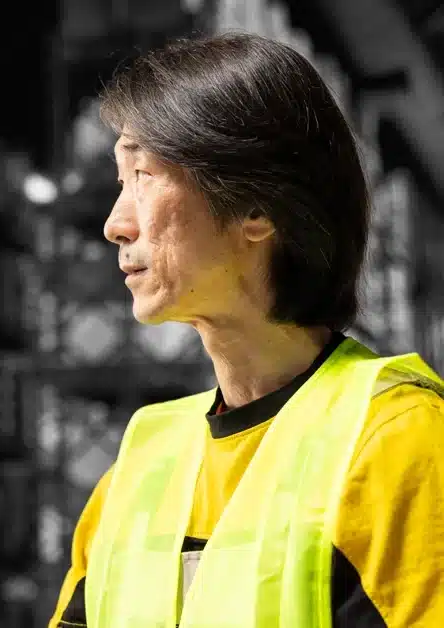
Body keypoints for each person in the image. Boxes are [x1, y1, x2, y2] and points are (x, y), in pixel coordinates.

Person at [49, 33, 444, 628]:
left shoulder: (398, 442)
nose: (115, 224)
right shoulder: (143, 457)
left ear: (257, 209)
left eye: (143, 175)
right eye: (119, 181)